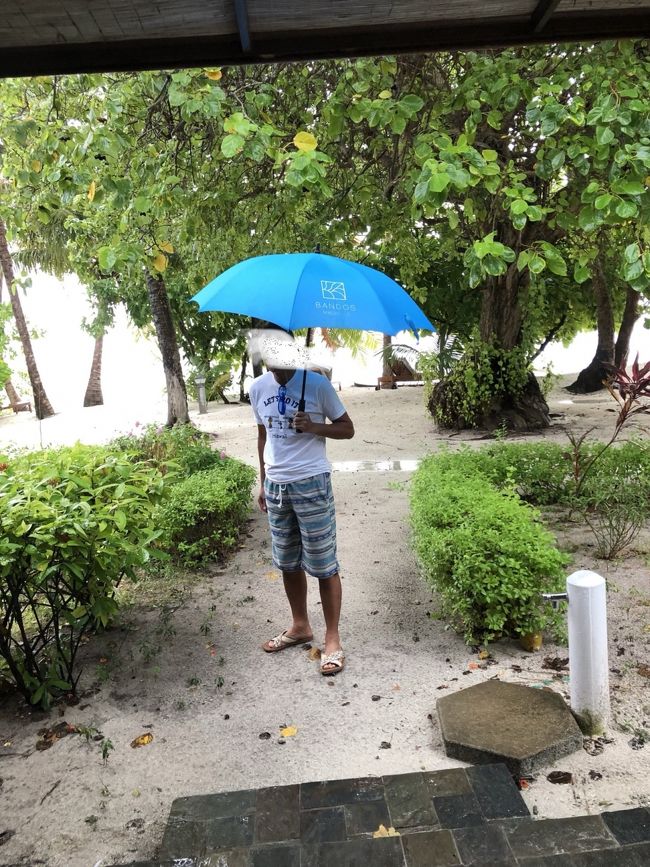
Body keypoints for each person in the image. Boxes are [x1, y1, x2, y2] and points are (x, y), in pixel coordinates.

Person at [248, 328, 354, 675]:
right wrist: (263, 482)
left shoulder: (317, 385)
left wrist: (314, 427)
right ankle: (300, 626)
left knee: (324, 563)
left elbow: (347, 428)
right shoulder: (258, 388)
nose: (277, 371)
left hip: (311, 482)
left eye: (282, 362)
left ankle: (333, 639)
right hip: (277, 487)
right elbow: (263, 436)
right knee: (287, 562)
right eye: (270, 362)